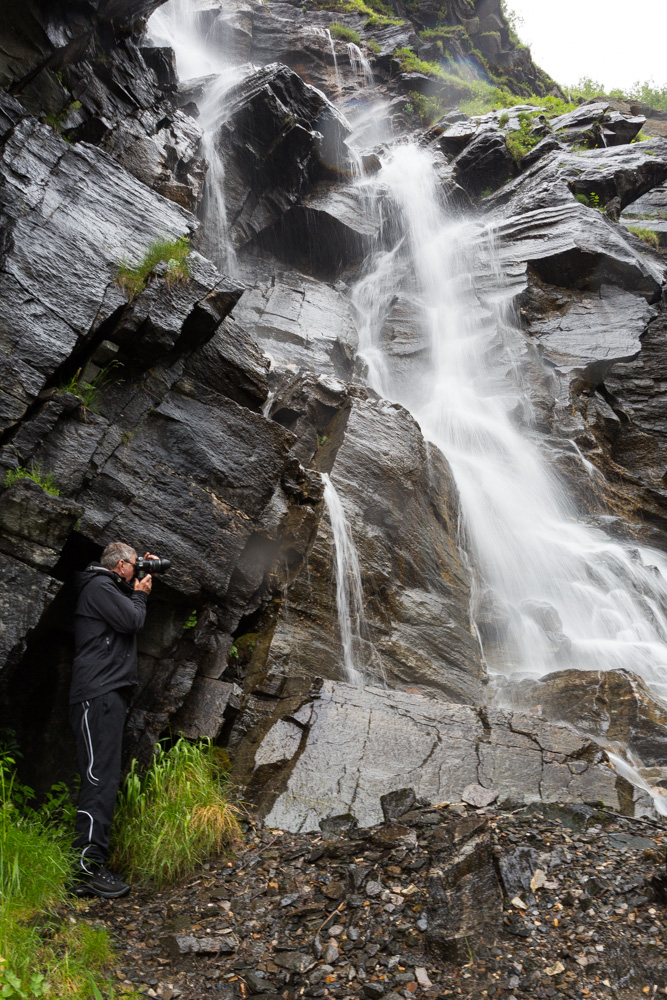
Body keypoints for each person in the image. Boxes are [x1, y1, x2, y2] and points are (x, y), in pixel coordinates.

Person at [69, 541, 155, 899]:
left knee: (103, 777)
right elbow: (132, 619)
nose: (135, 571)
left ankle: (91, 863)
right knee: (98, 779)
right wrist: (140, 596)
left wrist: (145, 575)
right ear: (121, 566)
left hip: (106, 694)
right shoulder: (98, 586)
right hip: (97, 695)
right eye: (133, 565)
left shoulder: (108, 587)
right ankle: (86, 870)